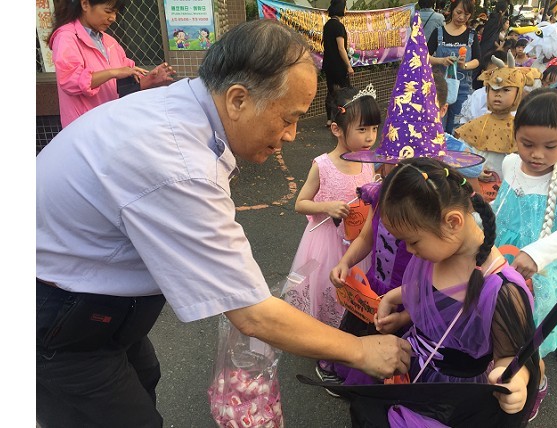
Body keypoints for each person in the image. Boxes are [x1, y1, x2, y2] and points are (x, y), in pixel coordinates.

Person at [36, 19, 412, 428]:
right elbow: (253, 314)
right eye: (289, 118)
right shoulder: (180, 163)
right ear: (237, 99)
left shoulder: (179, 109)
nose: (292, 135)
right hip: (60, 318)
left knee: (144, 376)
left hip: (93, 299)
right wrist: (360, 351)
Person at [323, 22, 485, 390]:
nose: (395, 178)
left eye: (405, 171)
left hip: (414, 303)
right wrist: (347, 261)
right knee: (364, 349)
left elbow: (446, 283)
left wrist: (410, 312)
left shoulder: (438, 216)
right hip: (375, 289)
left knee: (398, 370)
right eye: (390, 167)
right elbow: (366, 237)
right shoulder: (382, 194)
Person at [373, 157, 540, 426]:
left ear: (452, 222)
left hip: (453, 397)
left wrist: (515, 380)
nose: (409, 250)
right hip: (411, 366)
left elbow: (512, 354)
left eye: (412, 241)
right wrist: (396, 301)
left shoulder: (503, 291)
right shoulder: (436, 252)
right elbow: (432, 294)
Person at [492, 86, 557, 421]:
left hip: (542, 275)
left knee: (530, 340)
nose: (537, 154)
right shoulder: (511, 163)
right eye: (527, 143)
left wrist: (537, 254)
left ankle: (536, 382)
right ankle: (502, 374)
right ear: (515, 134)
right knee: (499, 325)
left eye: (550, 146)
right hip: (502, 264)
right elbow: (501, 209)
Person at [283, 84, 379, 330]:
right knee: (327, 290)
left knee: (354, 293)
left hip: (358, 243)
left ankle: (346, 333)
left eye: (374, 129)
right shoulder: (323, 165)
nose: (370, 137)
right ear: (337, 129)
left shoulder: (368, 162)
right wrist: (327, 207)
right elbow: (300, 203)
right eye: (362, 129)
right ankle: (323, 338)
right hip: (327, 244)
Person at [47, 0, 176, 128]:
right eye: (108, 11)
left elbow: (122, 86)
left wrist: (150, 80)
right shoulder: (67, 37)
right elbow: (70, 81)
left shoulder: (109, 41)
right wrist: (113, 72)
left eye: (115, 12)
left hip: (109, 124)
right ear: (85, 4)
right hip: (84, 129)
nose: (113, 18)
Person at [455, 51, 541, 184]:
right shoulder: (475, 125)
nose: (498, 94)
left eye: (506, 90)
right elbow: (462, 154)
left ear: (518, 93)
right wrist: (474, 170)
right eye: (494, 89)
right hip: (476, 185)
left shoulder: (521, 128)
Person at [427, 0, 481, 134]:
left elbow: (477, 60)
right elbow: (424, 56)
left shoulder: (471, 35)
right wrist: (441, 60)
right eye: (458, 12)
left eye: (466, 14)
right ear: (452, 10)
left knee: (457, 128)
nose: (461, 17)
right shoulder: (438, 32)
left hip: (462, 88)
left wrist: (465, 65)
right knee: (436, 125)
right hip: (440, 88)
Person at [322, 0, 354, 128]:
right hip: (338, 65)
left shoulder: (327, 25)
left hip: (328, 64)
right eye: (345, 7)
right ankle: (344, 118)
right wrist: (348, 66)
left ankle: (329, 119)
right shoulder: (338, 26)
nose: (346, 10)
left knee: (331, 92)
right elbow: (341, 48)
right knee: (345, 91)